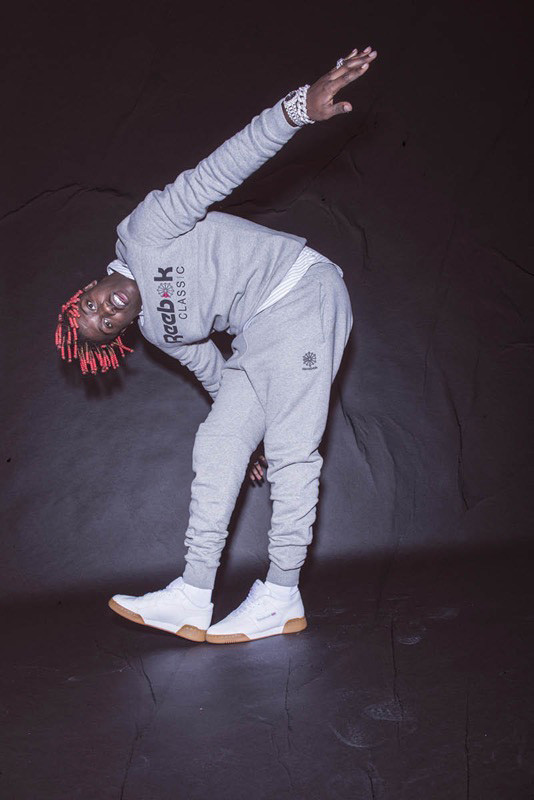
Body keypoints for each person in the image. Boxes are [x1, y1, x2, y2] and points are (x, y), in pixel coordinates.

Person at [55, 45, 378, 644]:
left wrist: (296, 111)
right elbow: (213, 370)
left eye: (92, 305)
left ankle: (281, 594)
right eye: (104, 325)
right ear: (121, 336)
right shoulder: (159, 330)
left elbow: (219, 169)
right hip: (260, 333)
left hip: (301, 291)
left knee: (293, 449)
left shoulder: (146, 232)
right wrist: (238, 430)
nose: (104, 312)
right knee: (218, 442)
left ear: (90, 285)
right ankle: (192, 594)